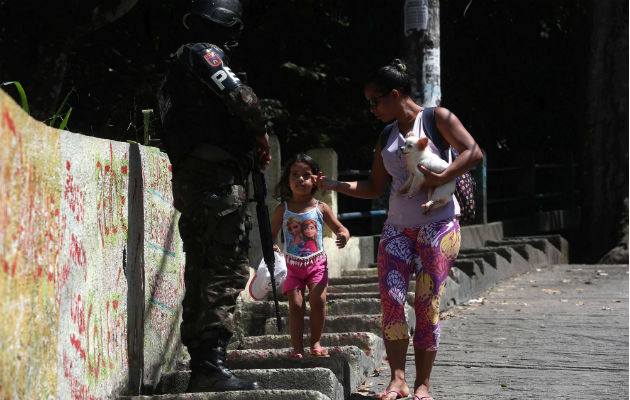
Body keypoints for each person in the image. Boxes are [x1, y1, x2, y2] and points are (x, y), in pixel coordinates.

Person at [315, 59, 483, 400]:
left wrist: (443, 176)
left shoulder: (437, 118)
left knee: (425, 302)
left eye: (375, 101)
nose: (372, 108)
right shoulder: (386, 135)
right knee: (391, 302)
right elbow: (375, 186)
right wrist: (334, 184)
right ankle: (398, 379)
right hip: (396, 229)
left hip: (439, 225)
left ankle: (423, 384)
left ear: (394, 94)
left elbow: (473, 151)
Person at [156, 0, 271, 393]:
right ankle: (210, 364)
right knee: (225, 268)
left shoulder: (176, 67)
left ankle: (204, 364)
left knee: (201, 268)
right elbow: (242, 99)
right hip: (216, 182)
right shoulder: (202, 54)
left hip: (196, 179)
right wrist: (259, 128)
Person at [270, 153, 350, 358]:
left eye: (306, 175)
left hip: (317, 264)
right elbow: (270, 236)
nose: (300, 179)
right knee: (296, 305)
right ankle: (297, 349)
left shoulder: (321, 208)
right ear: (287, 181)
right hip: (291, 266)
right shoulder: (283, 209)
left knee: (318, 299)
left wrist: (343, 235)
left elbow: (341, 228)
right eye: (294, 175)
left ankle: (315, 343)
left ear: (315, 179)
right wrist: (272, 247)